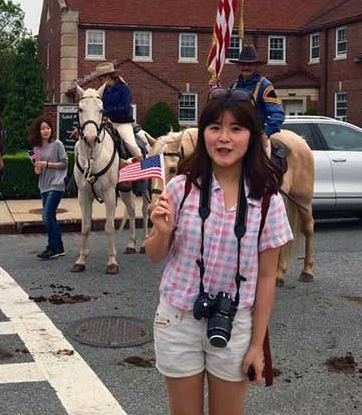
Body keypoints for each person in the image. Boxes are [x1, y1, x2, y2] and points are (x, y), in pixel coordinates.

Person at [144, 93, 293, 415]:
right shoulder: (180, 188)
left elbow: (267, 277)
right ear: (203, 133)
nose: (224, 138)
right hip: (178, 319)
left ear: (252, 136)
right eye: (215, 127)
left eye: (236, 129)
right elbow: (154, 255)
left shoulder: (268, 200)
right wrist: (164, 231)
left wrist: (257, 345)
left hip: (235, 322)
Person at [226, 45, 285, 156]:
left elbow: (278, 114)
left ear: (256, 66)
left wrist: (265, 134)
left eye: (250, 64)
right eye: (243, 64)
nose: (246, 67)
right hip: (233, 135)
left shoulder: (265, 86)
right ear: (238, 66)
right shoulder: (232, 86)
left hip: (256, 137)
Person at [28, 116, 68, 260]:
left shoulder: (58, 144)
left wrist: (46, 164)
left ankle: (52, 247)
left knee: (46, 215)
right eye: (43, 128)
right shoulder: (36, 149)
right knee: (51, 216)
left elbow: (64, 164)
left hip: (57, 184)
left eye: (48, 128)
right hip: (43, 185)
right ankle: (59, 247)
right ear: (38, 131)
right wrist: (37, 168)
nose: (46, 131)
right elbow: (37, 168)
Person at [93, 62, 142, 161]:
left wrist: (106, 112)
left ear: (107, 77)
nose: (99, 81)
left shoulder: (124, 89)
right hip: (107, 123)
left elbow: (124, 109)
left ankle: (143, 164)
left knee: (131, 145)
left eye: (100, 78)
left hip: (122, 124)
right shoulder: (102, 91)